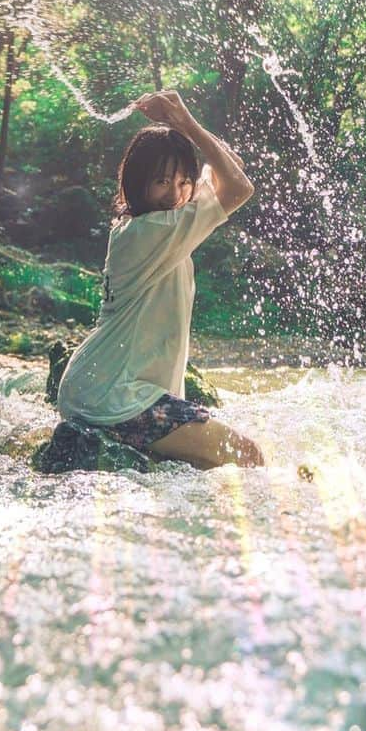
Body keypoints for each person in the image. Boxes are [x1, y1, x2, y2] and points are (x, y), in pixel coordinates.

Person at [56, 89, 264, 469]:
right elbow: (239, 186)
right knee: (246, 456)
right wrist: (184, 122)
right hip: (115, 394)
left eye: (184, 182)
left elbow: (231, 165)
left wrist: (181, 125)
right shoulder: (152, 230)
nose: (176, 193)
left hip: (108, 388)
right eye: (162, 181)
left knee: (208, 468)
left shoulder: (150, 225)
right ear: (138, 183)